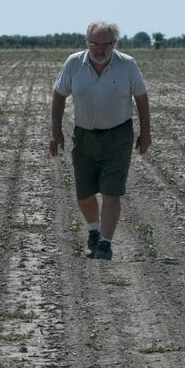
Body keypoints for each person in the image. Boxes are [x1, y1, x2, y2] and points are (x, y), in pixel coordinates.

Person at [50, 21, 151, 260]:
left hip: (118, 136)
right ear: (88, 43)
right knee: (84, 194)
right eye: (95, 43)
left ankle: (105, 244)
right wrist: (55, 131)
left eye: (106, 44)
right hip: (84, 136)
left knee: (111, 192)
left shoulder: (127, 64)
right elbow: (59, 95)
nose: (100, 49)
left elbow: (141, 98)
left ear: (114, 44)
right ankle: (94, 230)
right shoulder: (74, 63)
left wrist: (145, 132)